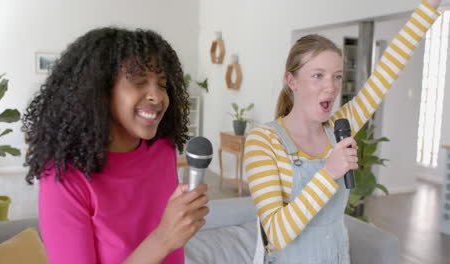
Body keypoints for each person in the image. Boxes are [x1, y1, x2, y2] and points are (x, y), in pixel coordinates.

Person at [243, 0, 441, 263]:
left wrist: (430, 5)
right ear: (292, 81)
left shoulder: (337, 126)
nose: (331, 87)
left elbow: (387, 70)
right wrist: (329, 172)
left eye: (337, 76)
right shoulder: (263, 141)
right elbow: (277, 233)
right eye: (318, 75)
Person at [22, 27, 209, 264]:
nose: (157, 96)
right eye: (139, 81)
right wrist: (164, 238)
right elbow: (165, 240)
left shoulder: (163, 148)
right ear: (100, 90)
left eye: (162, 84)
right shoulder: (64, 177)